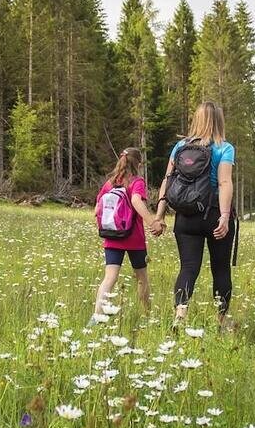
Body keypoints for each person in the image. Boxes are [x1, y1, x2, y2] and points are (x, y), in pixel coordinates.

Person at [155, 101, 238, 330]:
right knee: (220, 268)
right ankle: (221, 321)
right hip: (212, 214)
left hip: (185, 216)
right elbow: (224, 182)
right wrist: (224, 216)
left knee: (188, 267)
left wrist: (160, 215)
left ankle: (180, 314)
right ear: (218, 121)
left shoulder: (180, 146)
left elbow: (167, 180)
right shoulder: (224, 148)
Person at [90, 147, 162, 322]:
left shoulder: (110, 183)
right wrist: (152, 222)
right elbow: (136, 201)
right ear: (138, 163)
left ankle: (97, 316)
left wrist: (107, 228)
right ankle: (147, 316)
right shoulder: (136, 182)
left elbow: (97, 209)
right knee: (141, 278)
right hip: (134, 238)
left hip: (112, 237)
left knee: (110, 277)